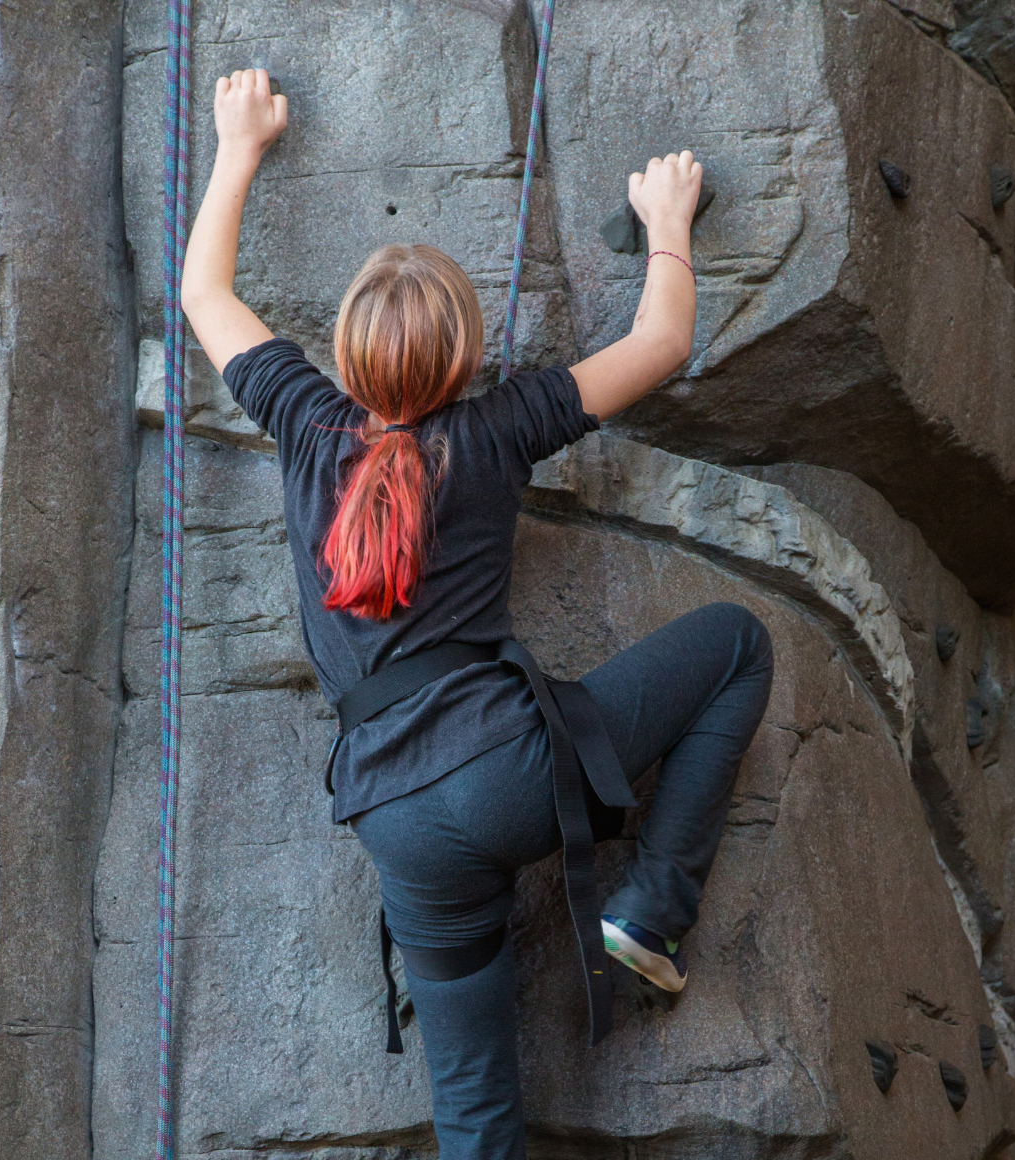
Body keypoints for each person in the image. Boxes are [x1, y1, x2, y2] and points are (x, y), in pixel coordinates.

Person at [181, 68, 774, 1160]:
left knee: (474, 1121)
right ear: (464, 357)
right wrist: (667, 222)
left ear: (347, 352)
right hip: (509, 769)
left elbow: (205, 297)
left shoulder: (306, 424)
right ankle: (648, 911)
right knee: (737, 643)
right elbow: (659, 343)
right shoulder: (494, 431)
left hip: (397, 827)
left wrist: (238, 146)